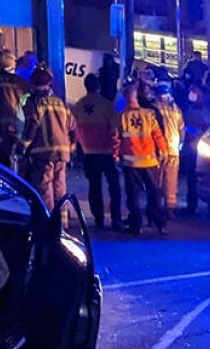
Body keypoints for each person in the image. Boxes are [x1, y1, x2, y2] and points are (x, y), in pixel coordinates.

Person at [117, 82, 169, 235]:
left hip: (130, 162)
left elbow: (116, 139)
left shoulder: (122, 117)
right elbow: (158, 135)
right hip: (149, 161)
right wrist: (164, 151)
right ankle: (160, 224)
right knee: (154, 193)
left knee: (133, 195)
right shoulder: (148, 115)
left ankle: (135, 225)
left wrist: (115, 156)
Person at [21, 67, 76, 209]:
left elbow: (31, 126)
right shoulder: (61, 103)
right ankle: (61, 223)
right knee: (60, 187)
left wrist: (22, 146)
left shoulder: (35, 103)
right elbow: (72, 126)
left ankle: (49, 224)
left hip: (43, 153)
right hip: (63, 153)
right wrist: (72, 145)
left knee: (44, 188)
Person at [72, 73, 122, 230]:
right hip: (106, 152)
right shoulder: (106, 105)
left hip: (89, 153)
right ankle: (116, 219)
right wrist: (115, 152)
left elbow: (73, 130)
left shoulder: (78, 106)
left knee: (94, 187)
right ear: (98, 86)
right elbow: (114, 131)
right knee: (114, 186)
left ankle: (98, 219)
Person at [181, 82, 210, 216]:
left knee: (194, 178)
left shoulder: (204, 111)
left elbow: (207, 130)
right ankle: (190, 206)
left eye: (193, 91)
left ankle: (193, 207)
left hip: (197, 149)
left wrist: (193, 132)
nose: (191, 94)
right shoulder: (190, 108)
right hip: (189, 147)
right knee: (190, 178)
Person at [0, 50, 28, 169]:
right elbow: (27, 100)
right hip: (14, 124)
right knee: (12, 158)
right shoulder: (18, 81)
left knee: (2, 158)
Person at [153, 82, 185, 216]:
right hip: (173, 149)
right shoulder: (176, 109)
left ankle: (157, 206)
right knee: (171, 180)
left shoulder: (155, 108)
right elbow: (182, 129)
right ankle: (170, 207)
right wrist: (180, 145)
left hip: (159, 150)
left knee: (157, 179)